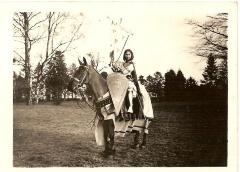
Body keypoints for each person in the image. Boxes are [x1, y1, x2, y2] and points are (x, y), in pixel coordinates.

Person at [110, 49, 142, 114]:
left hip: (129, 80)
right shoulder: (122, 63)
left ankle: (130, 107)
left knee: (129, 89)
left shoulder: (132, 64)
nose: (127, 56)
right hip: (121, 81)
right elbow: (117, 71)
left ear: (131, 55)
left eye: (129, 54)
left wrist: (120, 69)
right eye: (126, 54)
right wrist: (113, 65)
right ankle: (115, 108)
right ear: (124, 55)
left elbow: (130, 73)